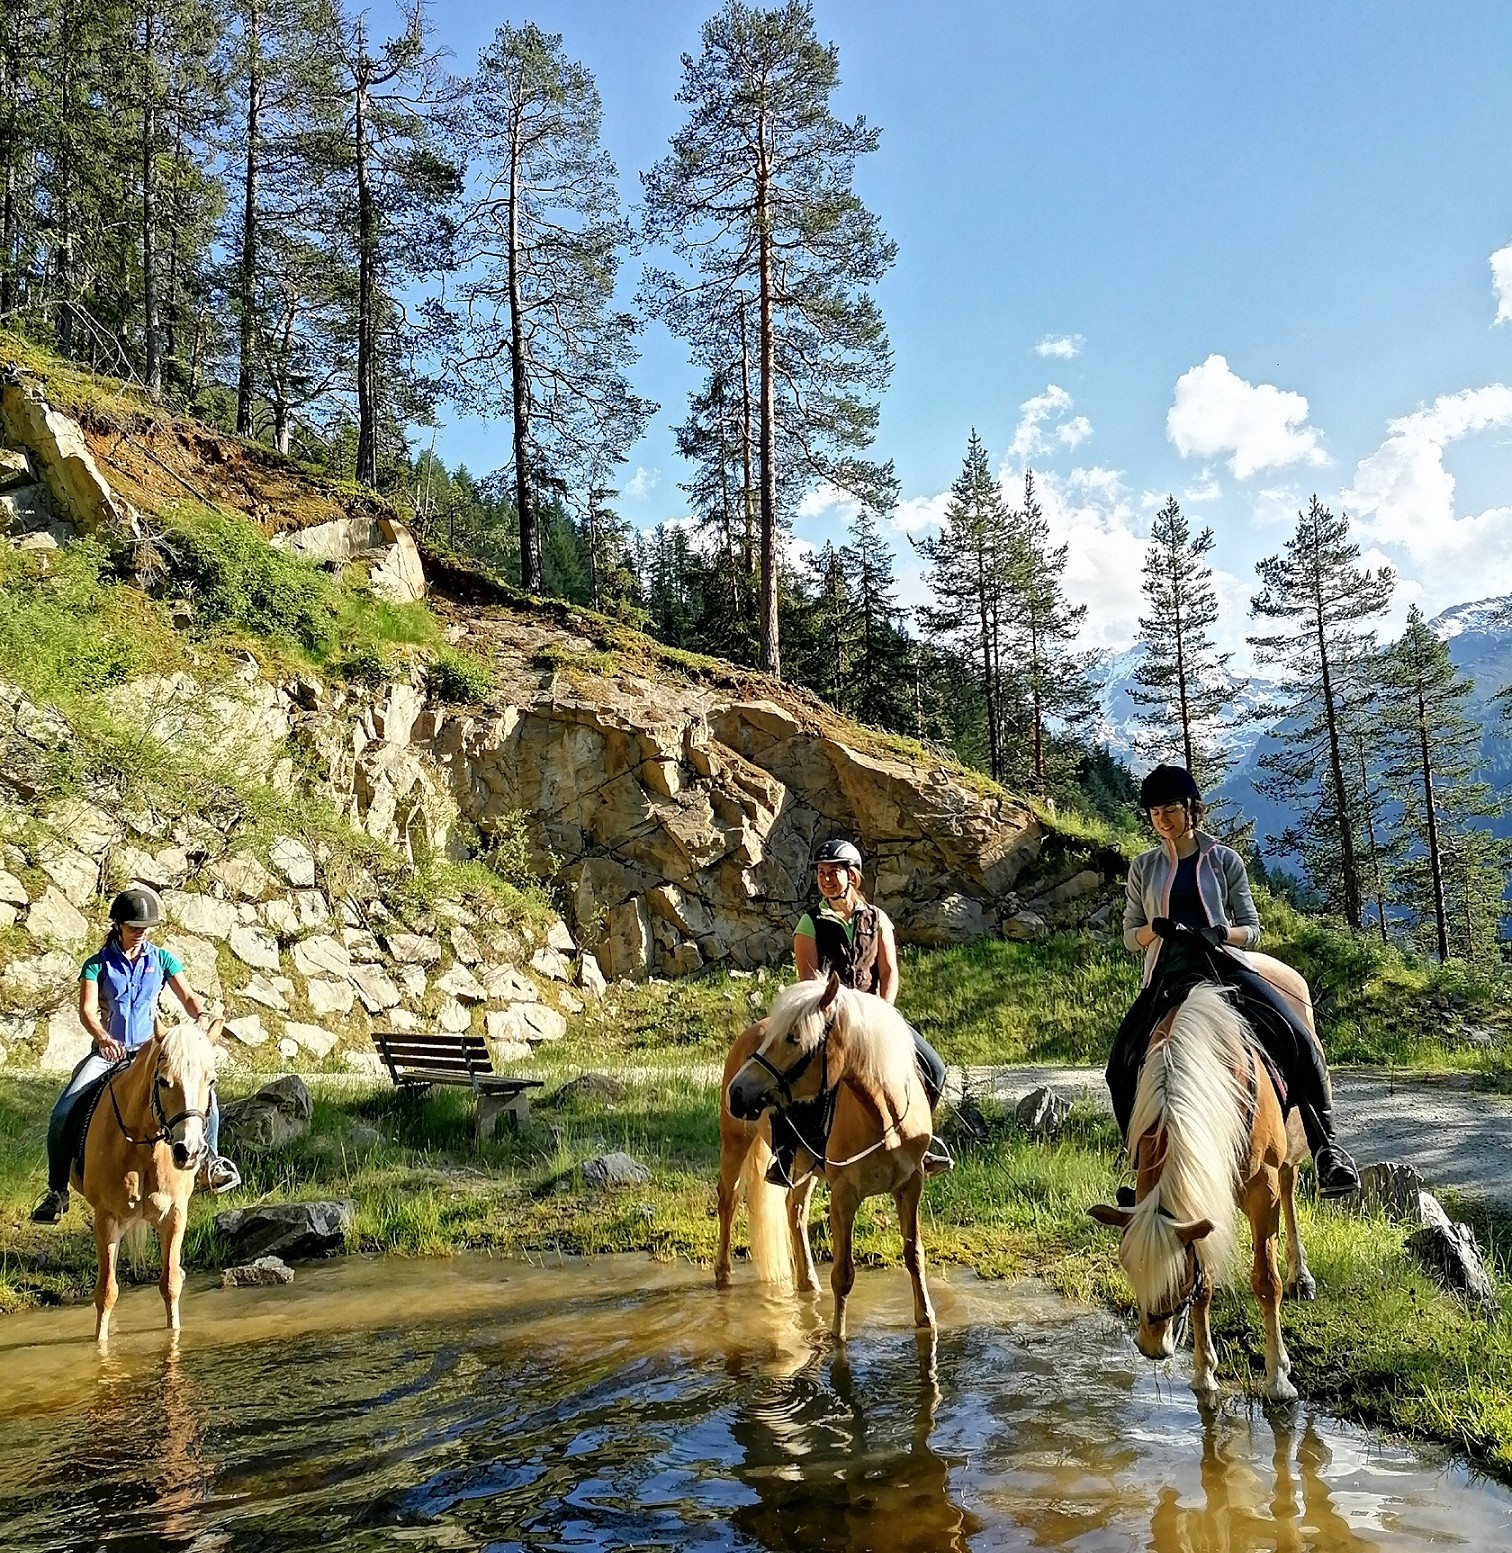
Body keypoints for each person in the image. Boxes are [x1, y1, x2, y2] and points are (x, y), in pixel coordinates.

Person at [1106, 763, 1360, 1198]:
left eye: (1170, 808)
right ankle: (1141, 1166)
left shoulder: (1224, 860)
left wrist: (1220, 934)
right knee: (1119, 1067)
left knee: (1298, 1037)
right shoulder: (1143, 868)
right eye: (1154, 812)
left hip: (1222, 963)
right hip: (1166, 971)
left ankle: (1327, 1151)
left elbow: (1252, 927)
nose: (1162, 818)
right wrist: (1156, 930)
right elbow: (1130, 935)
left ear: (1191, 809)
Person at [31, 885, 241, 1224]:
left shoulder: (162, 959)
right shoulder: (96, 965)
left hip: (150, 1052)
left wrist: (200, 1016)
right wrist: (101, 1037)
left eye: (144, 929)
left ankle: (211, 1163)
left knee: (206, 1100)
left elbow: (188, 998)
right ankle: (57, 1191)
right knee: (63, 1111)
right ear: (117, 926)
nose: (139, 934)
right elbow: (87, 1010)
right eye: (133, 928)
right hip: (109, 1052)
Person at [765, 838, 953, 1187]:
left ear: (853, 876)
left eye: (833, 872)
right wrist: (826, 1017)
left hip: (876, 1019)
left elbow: (890, 970)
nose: (825, 879)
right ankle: (788, 1152)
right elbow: (809, 984)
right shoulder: (809, 924)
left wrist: (884, 1011)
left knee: (935, 1069)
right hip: (830, 1022)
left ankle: (921, 1146)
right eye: (821, 873)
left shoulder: (877, 919)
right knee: (796, 1074)